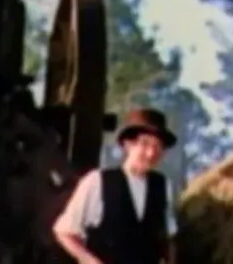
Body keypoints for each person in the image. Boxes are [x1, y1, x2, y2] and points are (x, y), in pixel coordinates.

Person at [53, 107, 179, 264]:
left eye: (158, 146)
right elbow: (64, 231)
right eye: (145, 144)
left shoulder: (162, 186)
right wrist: (91, 261)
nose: (151, 153)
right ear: (128, 144)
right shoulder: (97, 181)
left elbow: (168, 238)